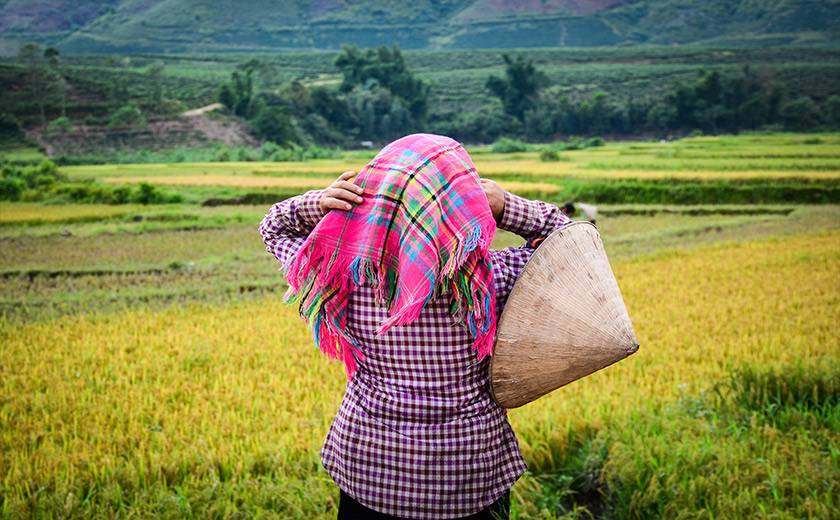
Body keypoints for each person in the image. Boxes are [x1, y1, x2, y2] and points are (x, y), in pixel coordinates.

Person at [259, 134, 570, 519]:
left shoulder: (344, 276)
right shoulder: (494, 281)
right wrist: (506, 206)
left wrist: (318, 203)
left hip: (370, 470)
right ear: (462, 204)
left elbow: (273, 226)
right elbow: (568, 244)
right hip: (466, 474)